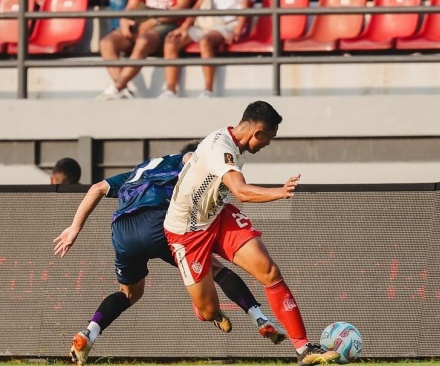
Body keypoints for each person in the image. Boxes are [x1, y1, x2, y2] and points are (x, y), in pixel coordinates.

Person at [53, 141, 286, 366]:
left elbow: (97, 188)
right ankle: (259, 317)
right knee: (215, 268)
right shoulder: (191, 160)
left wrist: (74, 228)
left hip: (122, 230)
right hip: (158, 223)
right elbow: (190, 160)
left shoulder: (141, 169)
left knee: (129, 293)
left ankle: (89, 333)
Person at [163, 101, 339, 366]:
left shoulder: (237, 143)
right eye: (269, 137)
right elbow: (242, 192)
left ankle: (304, 350)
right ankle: (204, 304)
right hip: (186, 233)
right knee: (209, 310)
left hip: (217, 217)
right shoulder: (220, 148)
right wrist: (280, 192)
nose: (268, 144)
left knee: (269, 271)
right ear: (258, 131)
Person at [96, 0, 193, 100]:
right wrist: (125, 19)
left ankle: (116, 87)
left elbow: (181, 8)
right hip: (141, 20)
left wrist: (154, 21)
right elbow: (132, 6)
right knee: (106, 43)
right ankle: (123, 90)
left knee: (143, 41)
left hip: (168, 22)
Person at [158, 0, 250, 99]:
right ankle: (170, 91)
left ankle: (208, 90)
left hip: (227, 25)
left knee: (205, 41)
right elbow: (198, 6)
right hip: (203, 25)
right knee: (171, 42)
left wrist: (237, 31)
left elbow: (245, 7)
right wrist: (184, 27)